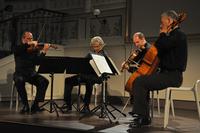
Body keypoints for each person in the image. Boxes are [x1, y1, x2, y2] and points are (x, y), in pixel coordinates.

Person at [129, 10, 187, 128]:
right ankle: (142, 114)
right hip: (166, 74)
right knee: (141, 80)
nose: (161, 25)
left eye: (162, 22)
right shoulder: (171, 36)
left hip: (173, 76)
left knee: (140, 81)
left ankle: (143, 116)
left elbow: (161, 46)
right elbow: (159, 52)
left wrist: (162, 34)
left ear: (169, 21)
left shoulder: (178, 35)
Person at [63, 36, 107, 113]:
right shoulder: (90, 54)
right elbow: (82, 65)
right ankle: (68, 104)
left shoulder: (104, 54)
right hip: (86, 75)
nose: (95, 48)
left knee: (88, 81)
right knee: (68, 80)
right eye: (93, 46)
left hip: (97, 77)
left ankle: (86, 106)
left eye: (97, 46)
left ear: (101, 45)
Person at [13, 31, 50, 114]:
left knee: (44, 81)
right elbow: (17, 51)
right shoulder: (18, 47)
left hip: (31, 74)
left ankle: (35, 105)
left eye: (31, 39)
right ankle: (25, 105)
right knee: (19, 80)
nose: (31, 40)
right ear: (23, 39)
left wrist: (43, 52)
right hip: (20, 73)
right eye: (28, 38)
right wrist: (28, 44)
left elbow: (37, 62)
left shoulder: (35, 50)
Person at [121, 32, 151, 116]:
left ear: (142, 39)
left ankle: (142, 112)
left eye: (137, 42)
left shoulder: (149, 50)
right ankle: (137, 109)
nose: (136, 44)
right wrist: (127, 65)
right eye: (135, 43)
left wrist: (129, 68)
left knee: (138, 83)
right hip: (142, 74)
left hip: (149, 74)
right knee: (134, 82)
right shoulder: (140, 50)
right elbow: (136, 66)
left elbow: (143, 68)